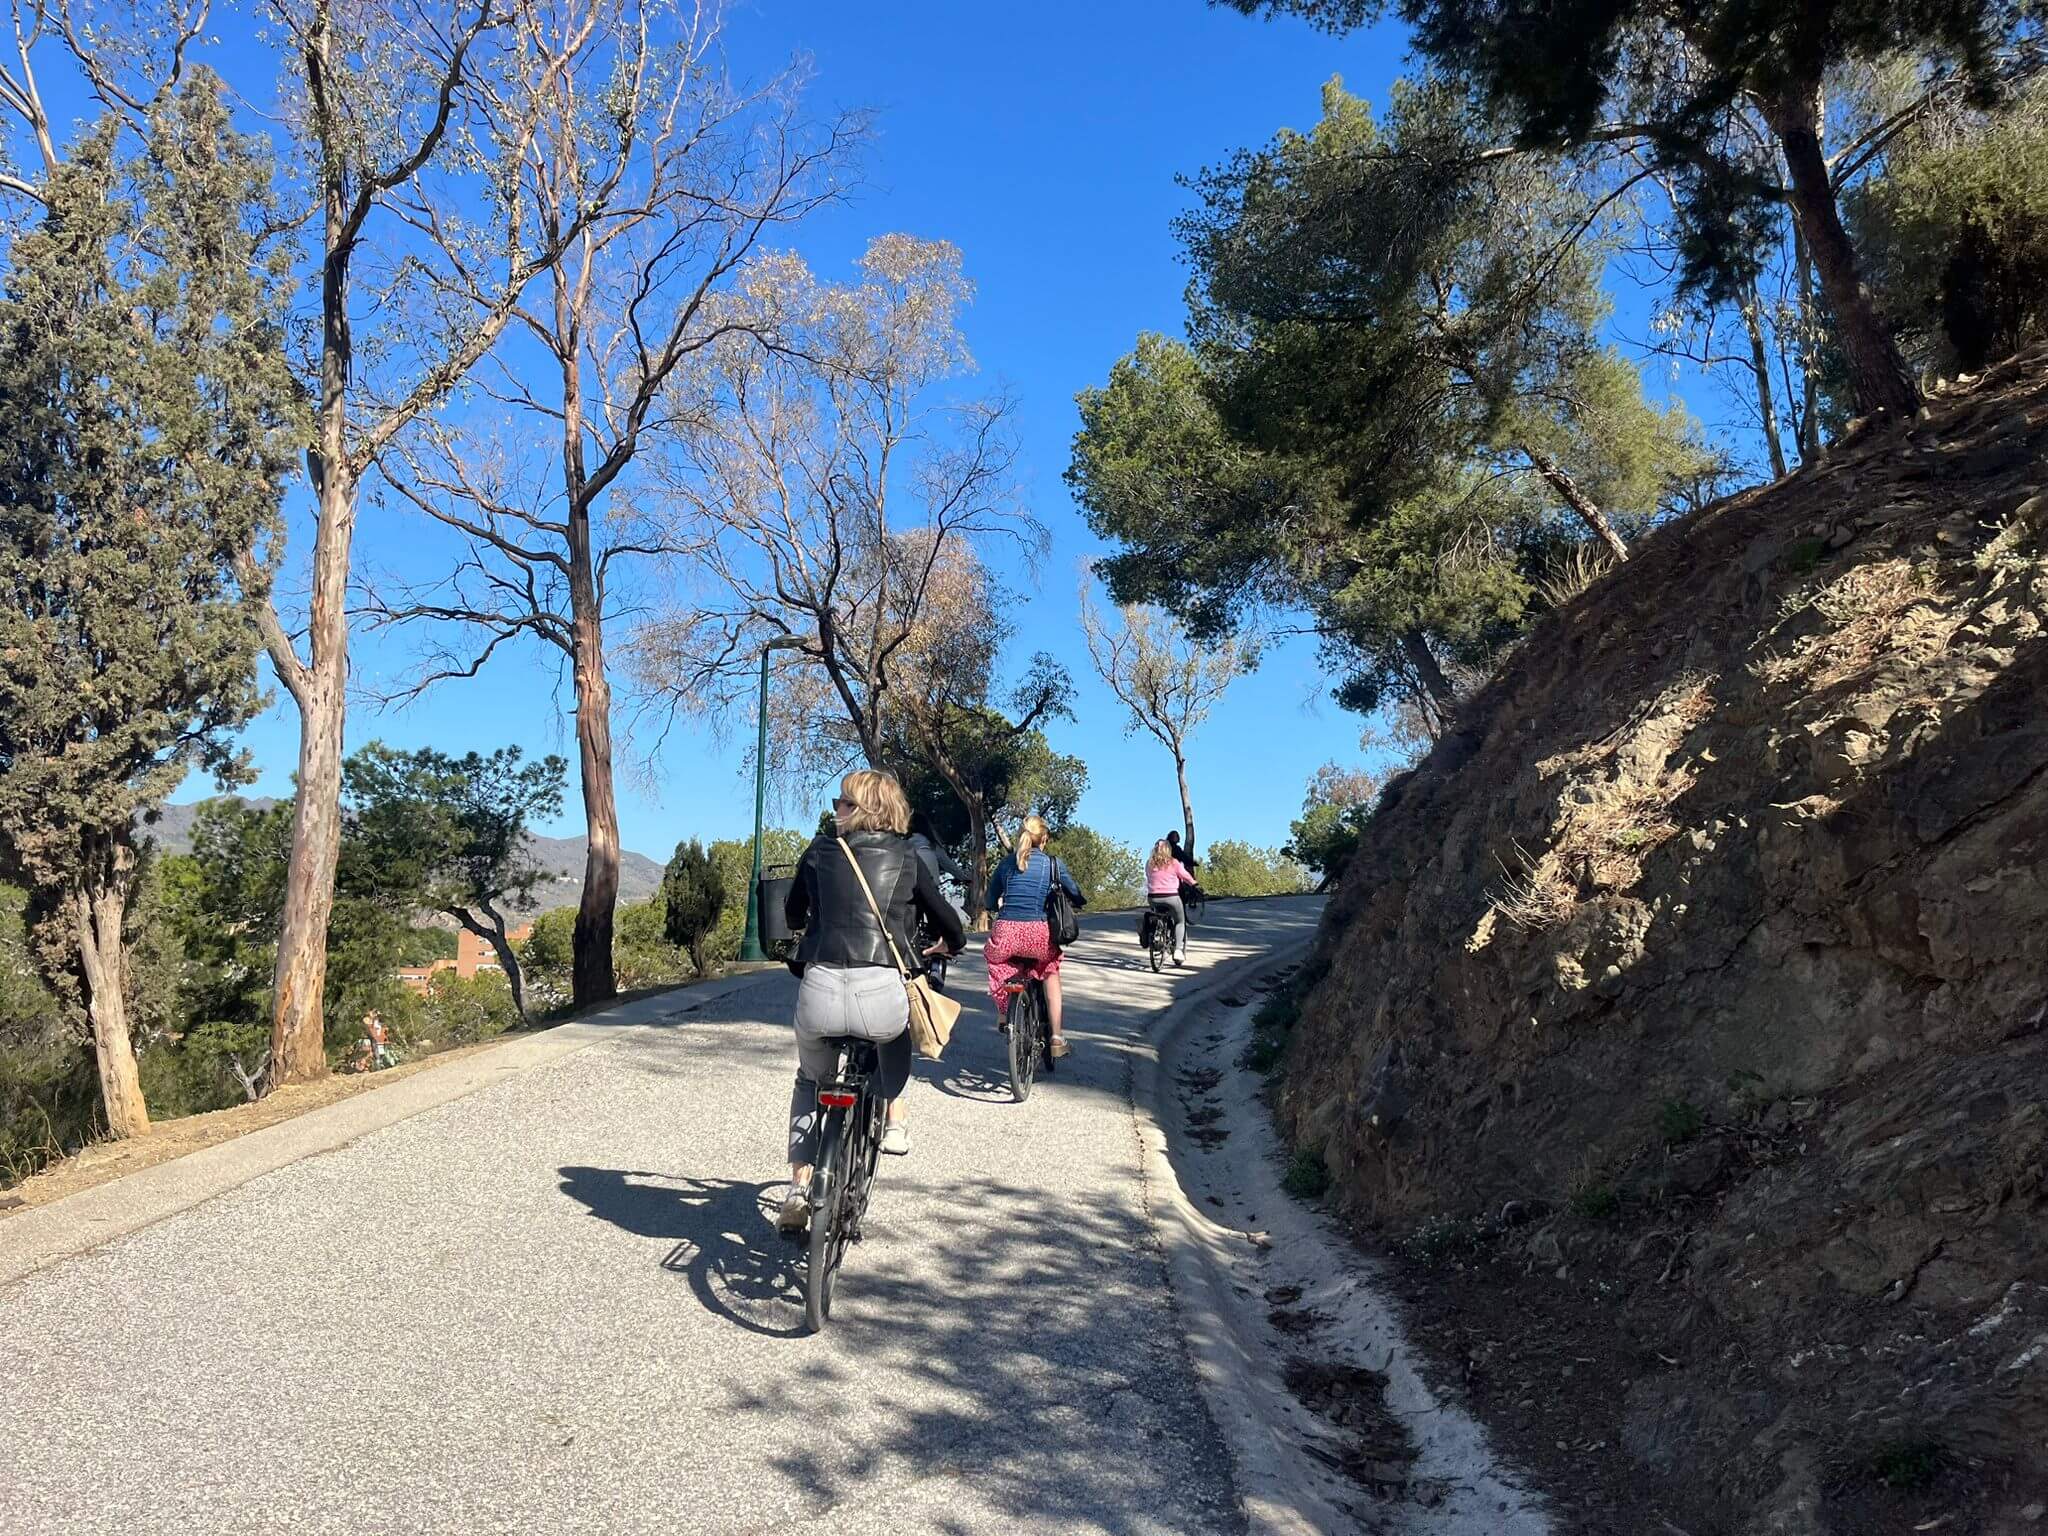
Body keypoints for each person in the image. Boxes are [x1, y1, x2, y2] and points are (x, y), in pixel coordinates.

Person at [778, 769, 965, 1234]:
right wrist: (947, 945)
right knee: (891, 1039)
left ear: (860, 810)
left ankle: (799, 1187)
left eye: (841, 802)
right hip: (882, 992)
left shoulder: (820, 851)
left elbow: (792, 913)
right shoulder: (906, 855)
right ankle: (894, 1122)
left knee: (809, 1080)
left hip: (820, 989)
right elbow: (948, 922)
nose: (834, 809)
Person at [984, 814, 1085, 1058]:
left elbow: (989, 899)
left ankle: (1003, 1013)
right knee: (1050, 971)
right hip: (1037, 934)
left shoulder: (1006, 864)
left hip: (1006, 930)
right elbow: (1075, 892)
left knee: (998, 962)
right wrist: (1079, 901)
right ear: (1044, 839)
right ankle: (1057, 1037)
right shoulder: (1053, 864)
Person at [1146, 840, 1195, 965]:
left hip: (1153, 897)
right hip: (1171, 897)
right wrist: (1195, 884)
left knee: (1158, 913)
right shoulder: (1174, 862)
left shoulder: (1149, 863)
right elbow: (1185, 875)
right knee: (1180, 921)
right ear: (1169, 850)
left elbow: (1149, 876)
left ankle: (1156, 932)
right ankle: (1178, 950)